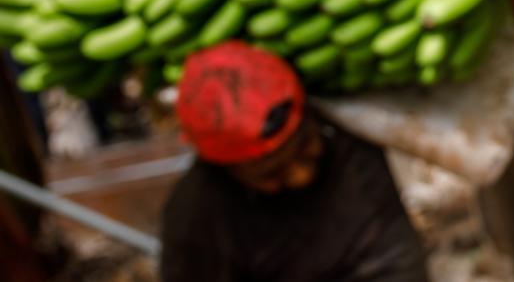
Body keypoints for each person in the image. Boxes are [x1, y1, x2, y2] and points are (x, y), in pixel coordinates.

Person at [160, 40, 429, 281]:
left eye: (305, 147)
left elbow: (394, 259)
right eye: (271, 173)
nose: (301, 176)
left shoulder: (351, 152)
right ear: (227, 171)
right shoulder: (196, 218)